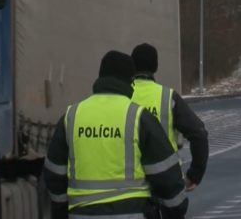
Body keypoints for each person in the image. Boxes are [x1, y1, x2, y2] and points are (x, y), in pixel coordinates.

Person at [43, 50, 188, 219]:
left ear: (100, 77)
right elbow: (166, 176)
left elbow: (54, 172)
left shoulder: (72, 115)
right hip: (132, 213)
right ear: (131, 81)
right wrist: (176, 211)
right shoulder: (139, 117)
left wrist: (61, 210)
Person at [131, 43, 209, 195]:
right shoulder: (167, 97)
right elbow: (199, 134)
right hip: (166, 181)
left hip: (129, 184)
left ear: (132, 66)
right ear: (155, 66)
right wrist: (195, 175)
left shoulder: (123, 95)